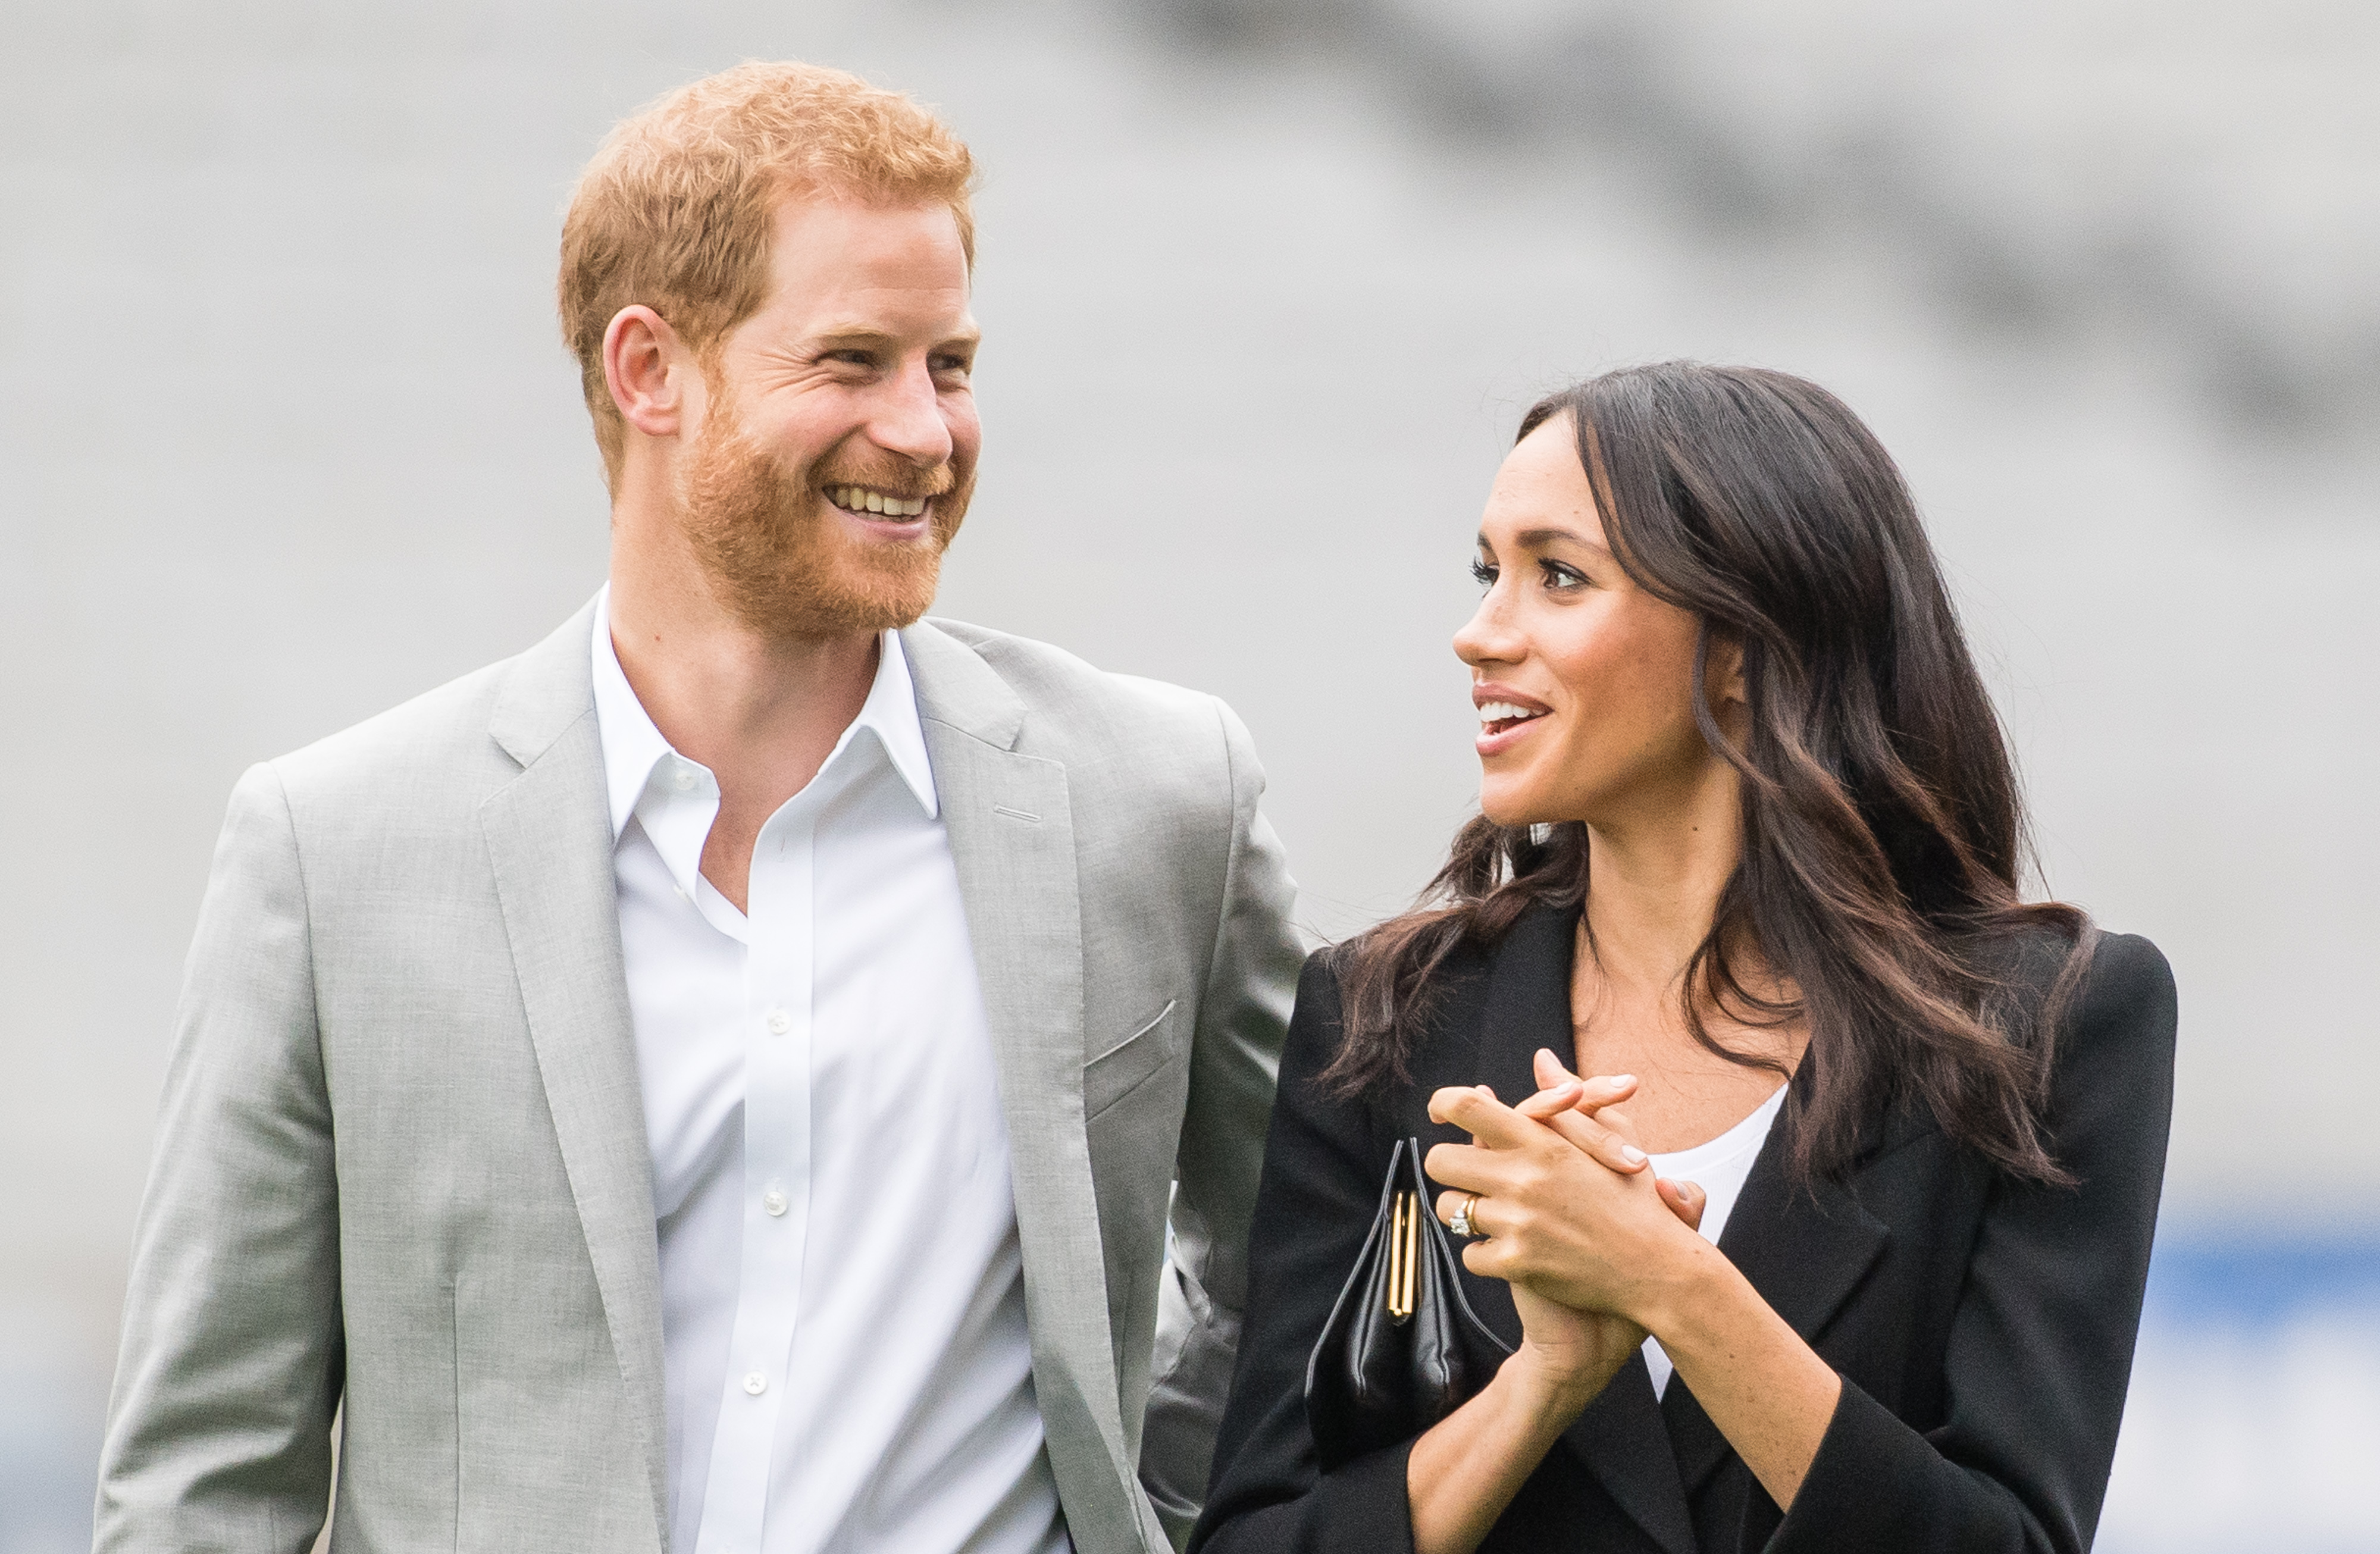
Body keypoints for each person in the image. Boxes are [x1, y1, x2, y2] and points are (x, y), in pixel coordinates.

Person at [94, 62, 1303, 1554]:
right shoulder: (331, 851)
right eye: (854, 361)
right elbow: (205, 1479)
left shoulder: (1161, 799)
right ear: (649, 369)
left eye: (952, 364)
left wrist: (1156, 1511)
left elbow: (1294, 1265)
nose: (926, 432)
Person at [1193, 362, 2176, 1554]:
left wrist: (1671, 1283)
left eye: (1556, 576)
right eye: (1485, 571)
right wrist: (1539, 1385)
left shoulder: (2051, 1022)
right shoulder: (1379, 1018)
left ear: (1740, 646)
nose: (1478, 631)